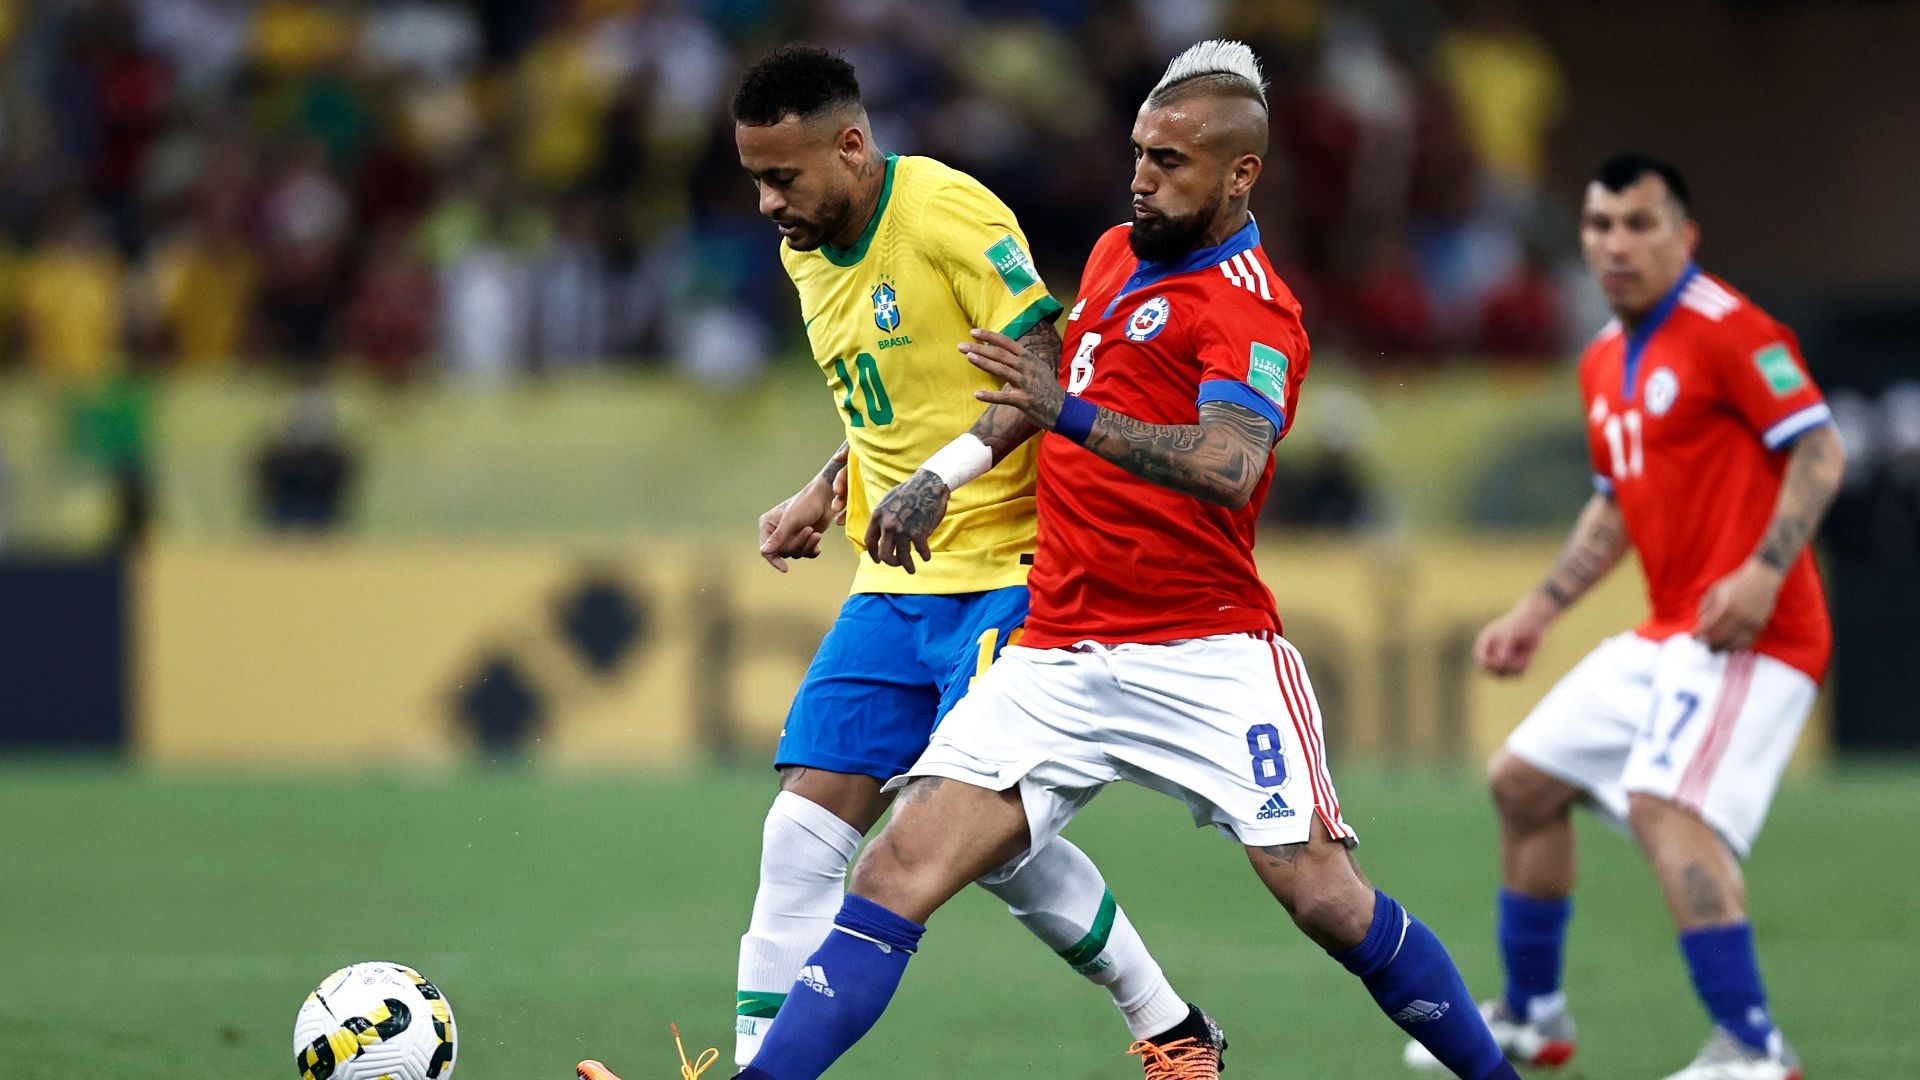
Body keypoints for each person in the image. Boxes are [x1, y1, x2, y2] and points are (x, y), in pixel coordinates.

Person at [723, 40, 1524, 1080]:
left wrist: (1068, 413)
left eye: (1171, 163)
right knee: (896, 868)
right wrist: (848, 472)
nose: (1142, 179)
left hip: (1204, 647)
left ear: (1241, 175)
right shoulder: (1111, 254)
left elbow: (1229, 465)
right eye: (1138, 155)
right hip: (1058, 644)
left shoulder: (1252, 305)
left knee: (1323, 897)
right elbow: (971, 378)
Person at [575, 45, 1209, 1080]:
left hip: (1013, 566)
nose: (770, 203)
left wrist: (941, 480)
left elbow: (1039, 364)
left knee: (975, 841)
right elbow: (896, 391)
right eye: (754, 180)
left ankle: (1169, 1026)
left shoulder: (950, 213)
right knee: (796, 839)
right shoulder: (803, 248)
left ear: (853, 145)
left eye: (784, 177)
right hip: (896, 582)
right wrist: (824, 484)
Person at [1404, 155, 1843, 1080]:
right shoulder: (1605, 357)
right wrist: (1539, 607)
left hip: (1754, 636)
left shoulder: (1730, 329)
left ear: (1684, 236)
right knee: (1521, 781)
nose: (1617, 243)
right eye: (1601, 225)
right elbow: (1615, 503)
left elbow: (1819, 448)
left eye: (1640, 224)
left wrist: (1767, 572)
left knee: (1664, 806)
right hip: (1671, 630)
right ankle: (1532, 1015)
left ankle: (1754, 1049)